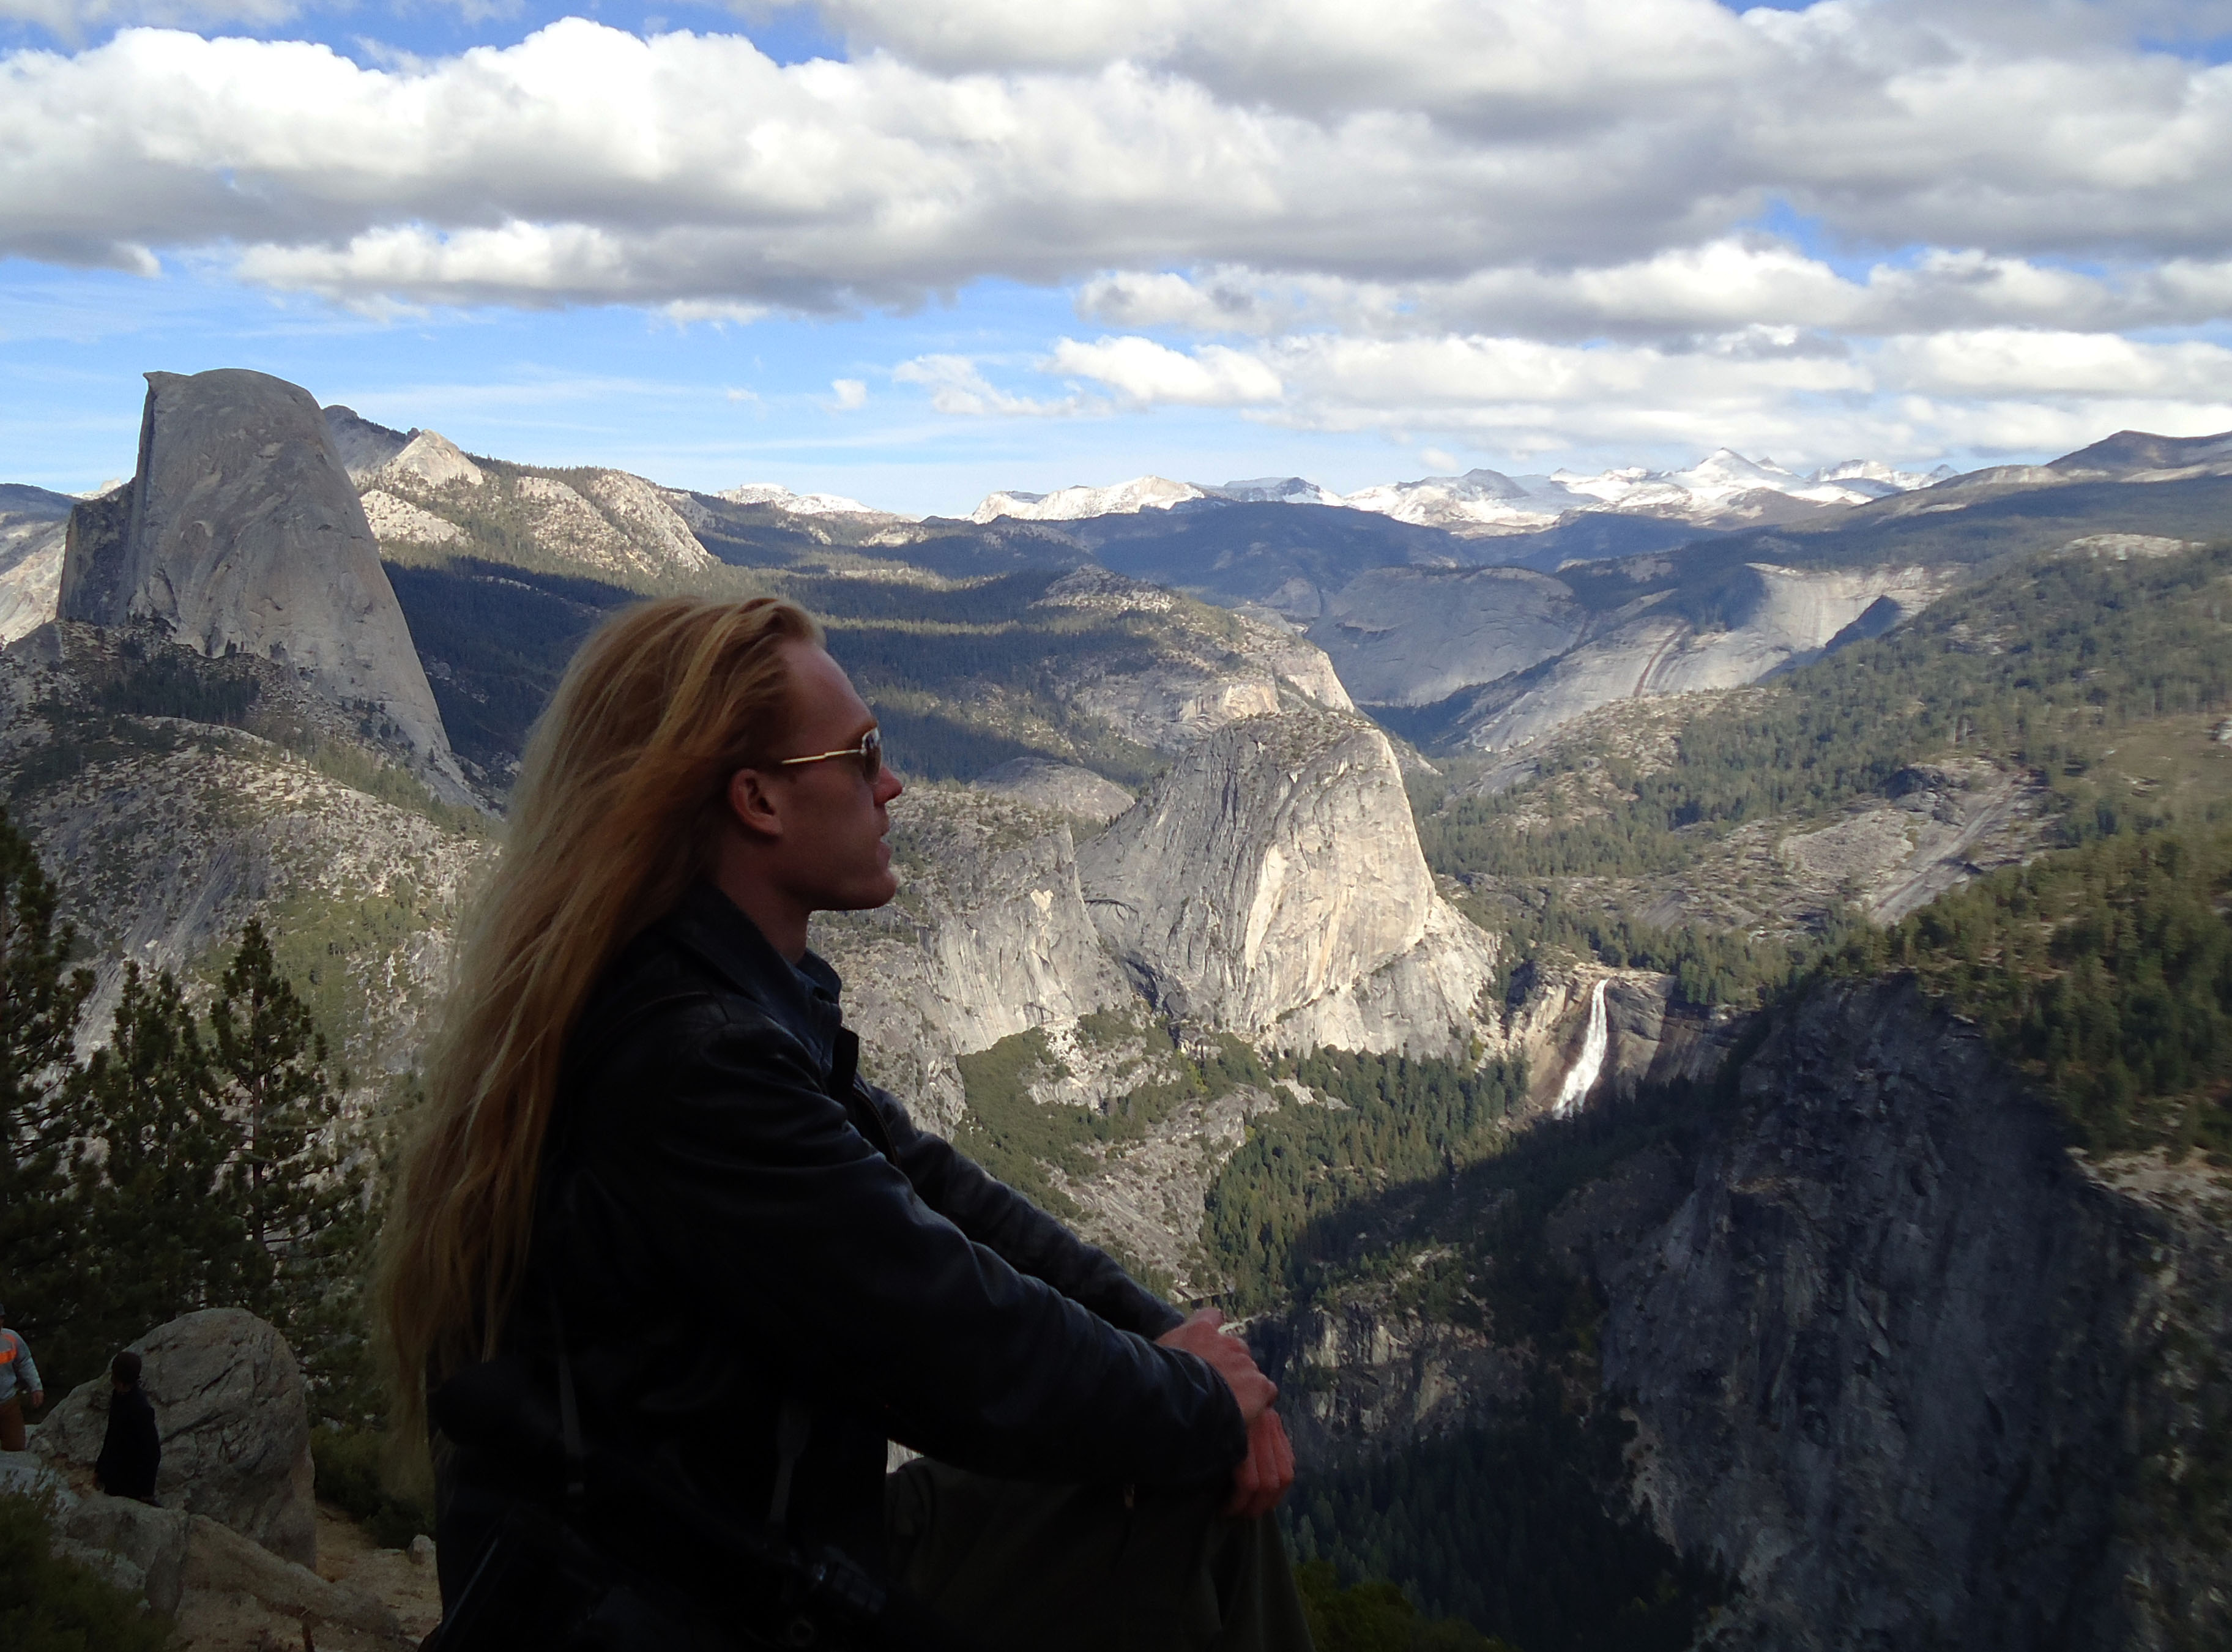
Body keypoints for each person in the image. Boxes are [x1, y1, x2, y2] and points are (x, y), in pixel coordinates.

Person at [381, 597, 1311, 1652]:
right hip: (688, 1601)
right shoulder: (692, 1061)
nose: (892, 784)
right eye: (861, 754)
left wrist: (1165, 1341)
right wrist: (1196, 1404)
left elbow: (935, 1194)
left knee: (1184, 1467)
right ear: (758, 801)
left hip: (742, 1549)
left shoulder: (719, 995)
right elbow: (954, 1341)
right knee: (1196, 1498)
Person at [94, 1350, 162, 1502]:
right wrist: (100, 1469)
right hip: (115, 1476)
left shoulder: (141, 1410)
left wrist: (147, 1492)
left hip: (132, 1484)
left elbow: (152, 1453)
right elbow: (111, 1436)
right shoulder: (118, 1396)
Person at [0, 1303, 43, 1453]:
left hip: (8, 1402)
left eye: (1, 1318)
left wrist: (36, 1387)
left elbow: (25, 1361)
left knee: (16, 1448)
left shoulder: (11, 1339)